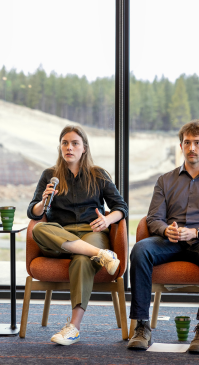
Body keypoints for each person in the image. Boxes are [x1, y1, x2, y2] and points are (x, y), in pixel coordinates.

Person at [128, 120, 199, 353]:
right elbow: (153, 218)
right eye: (187, 142)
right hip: (170, 241)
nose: (192, 148)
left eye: (198, 143)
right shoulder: (165, 180)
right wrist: (166, 229)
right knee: (140, 250)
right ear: (181, 146)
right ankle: (142, 326)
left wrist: (196, 232)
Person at [27, 125, 128, 346]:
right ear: (60, 147)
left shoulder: (97, 175)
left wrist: (107, 220)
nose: (69, 147)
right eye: (65, 143)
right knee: (38, 229)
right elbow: (32, 212)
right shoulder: (49, 175)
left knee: (82, 259)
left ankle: (73, 327)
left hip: (90, 231)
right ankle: (101, 254)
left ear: (84, 148)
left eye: (74, 143)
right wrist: (43, 202)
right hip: (58, 234)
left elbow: (121, 207)